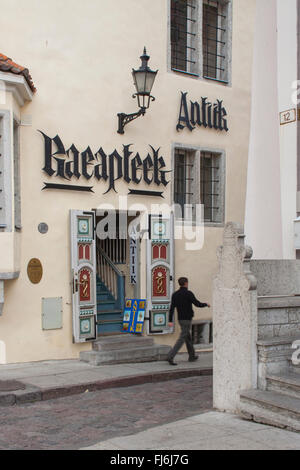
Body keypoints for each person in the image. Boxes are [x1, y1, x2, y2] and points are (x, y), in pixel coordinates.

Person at [167, 277, 210, 366]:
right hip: (187, 319)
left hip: (180, 319)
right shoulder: (188, 293)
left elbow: (171, 308)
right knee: (182, 338)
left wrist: (170, 320)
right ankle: (171, 356)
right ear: (186, 283)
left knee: (188, 337)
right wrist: (206, 304)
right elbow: (197, 303)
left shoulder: (175, 294)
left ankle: (192, 355)